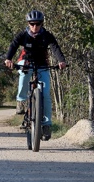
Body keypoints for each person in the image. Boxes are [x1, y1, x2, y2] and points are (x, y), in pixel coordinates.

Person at [4, 10, 67, 141]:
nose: (35, 27)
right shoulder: (23, 35)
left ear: (41, 24)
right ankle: (21, 101)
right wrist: (8, 59)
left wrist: (61, 61)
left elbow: (55, 48)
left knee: (45, 94)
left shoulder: (47, 35)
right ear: (28, 23)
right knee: (24, 73)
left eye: (37, 24)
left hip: (42, 63)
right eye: (32, 24)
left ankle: (46, 125)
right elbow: (13, 45)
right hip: (26, 60)